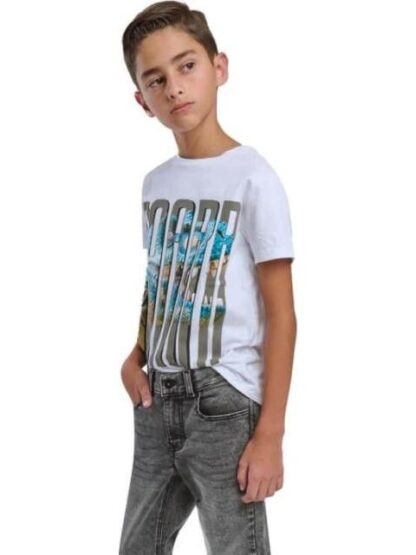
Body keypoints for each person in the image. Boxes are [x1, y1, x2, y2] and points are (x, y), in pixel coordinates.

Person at [118, 2, 297, 554]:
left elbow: (282, 315)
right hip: (156, 397)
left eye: (187, 66)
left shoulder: (253, 177)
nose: (174, 87)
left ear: (219, 67)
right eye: (155, 79)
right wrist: (136, 354)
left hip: (224, 400)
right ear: (142, 100)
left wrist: (270, 434)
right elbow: (162, 282)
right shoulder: (155, 184)